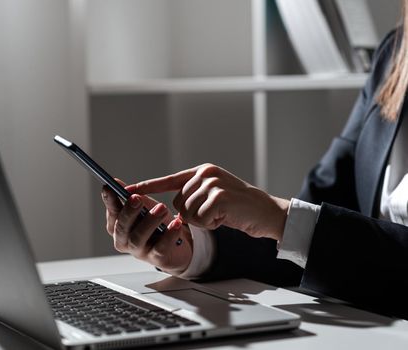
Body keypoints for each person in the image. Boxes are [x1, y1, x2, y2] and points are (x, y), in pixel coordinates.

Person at [101, 7, 408, 320]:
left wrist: (281, 217)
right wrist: (192, 248)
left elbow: (300, 225)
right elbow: (315, 225)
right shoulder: (396, 54)